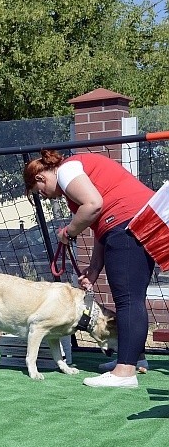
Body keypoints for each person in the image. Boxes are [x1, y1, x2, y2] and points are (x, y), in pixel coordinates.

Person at [24, 149, 154, 388]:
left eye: (40, 192)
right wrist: (93, 270)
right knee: (132, 298)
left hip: (129, 224)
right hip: (133, 222)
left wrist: (68, 232)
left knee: (127, 300)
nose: (46, 197)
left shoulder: (66, 170)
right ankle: (134, 360)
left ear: (41, 177)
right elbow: (100, 227)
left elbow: (94, 205)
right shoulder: (75, 173)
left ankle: (124, 372)